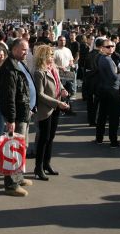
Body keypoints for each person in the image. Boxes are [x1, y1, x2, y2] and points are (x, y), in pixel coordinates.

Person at [0, 39, 36, 197]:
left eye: (27, 50)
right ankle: (11, 184)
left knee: (22, 147)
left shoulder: (20, 63)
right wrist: (11, 119)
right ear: (13, 49)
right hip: (17, 115)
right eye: (23, 50)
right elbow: (9, 97)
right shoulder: (9, 68)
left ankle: (19, 177)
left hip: (25, 112)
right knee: (13, 149)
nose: (26, 52)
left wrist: (32, 106)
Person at [33, 45, 69, 181]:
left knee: (51, 137)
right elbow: (40, 94)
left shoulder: (53, 68)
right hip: (45, 109)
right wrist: (57, 103)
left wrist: (63, 90)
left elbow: (58, 83)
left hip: (55, 107)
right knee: (43, 138)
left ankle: (47, 164)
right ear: (43, 56)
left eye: (53, 55)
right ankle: (38, 167)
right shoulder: (39, 72)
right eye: (50, 55)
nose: (52, 57)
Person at [95, 39, 120, 147]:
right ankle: (113, 141)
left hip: (105, 90)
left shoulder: (103, 58)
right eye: (108, 46)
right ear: (102, 48)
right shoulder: (107, 59)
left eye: (112, 46)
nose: (111, 48)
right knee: (113, 117)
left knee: (102, 115)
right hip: (112, 91)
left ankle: (99, 138)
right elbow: (114, 78)